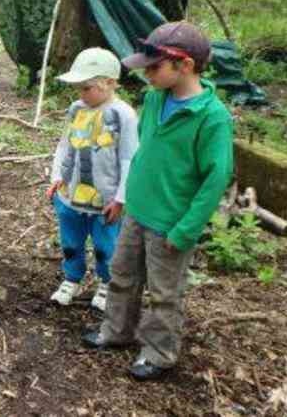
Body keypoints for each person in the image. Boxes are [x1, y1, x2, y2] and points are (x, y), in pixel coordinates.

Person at [81, 22, 234, 381]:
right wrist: (125, 198)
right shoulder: (154, 99)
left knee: (165, 293)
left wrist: (186, 229)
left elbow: (215, 180)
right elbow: (141, 153)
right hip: (138, 210)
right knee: (122, 274)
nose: (147, 74)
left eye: (154, 67)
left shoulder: (212, 118)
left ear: (185, 66)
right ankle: (117, 331)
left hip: (171, 221)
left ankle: (159, 352)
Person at [46, 48, 138, 311]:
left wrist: (121, 198)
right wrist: (56, 177)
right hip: (70, 194)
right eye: (79, 88)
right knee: (71, 242)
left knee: (105, 246)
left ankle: (107, 283)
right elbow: (65, 145)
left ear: (109, 83)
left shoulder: (123, 115)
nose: (81, 94)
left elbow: (128, 159)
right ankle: (71, 278)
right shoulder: (77, 109)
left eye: (87, 88)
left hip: (105, 200)